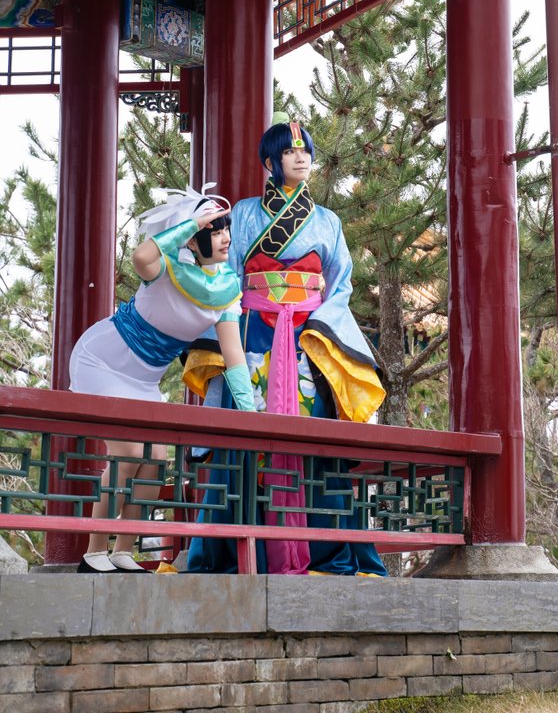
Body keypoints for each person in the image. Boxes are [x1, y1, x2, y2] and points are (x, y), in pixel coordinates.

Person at [183, 113, 388, 576]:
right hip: (251, 332)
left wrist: (323, 328)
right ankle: (238, 550)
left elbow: (340, 283)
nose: (301, 158)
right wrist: (228, 323)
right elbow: (225, 273)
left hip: (306, 337)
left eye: (305, 151)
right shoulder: (244, 213)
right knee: (246, 434)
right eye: (290, 151)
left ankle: (323, 549)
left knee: (314, 436)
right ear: (270, 162)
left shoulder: (328, 221)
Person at [68, 185, 255, 574]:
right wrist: (190, 224)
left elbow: (234, 355)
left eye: (226, 229)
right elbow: (141, 255)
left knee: (155, 459)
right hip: (102, 360)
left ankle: (122, 551)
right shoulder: (165, 268)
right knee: (130, 452)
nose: (225, 237)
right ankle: (94, 552)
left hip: (143, 380)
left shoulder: (225, 289)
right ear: (193, 237)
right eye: (215, 230)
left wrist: (251, 413)